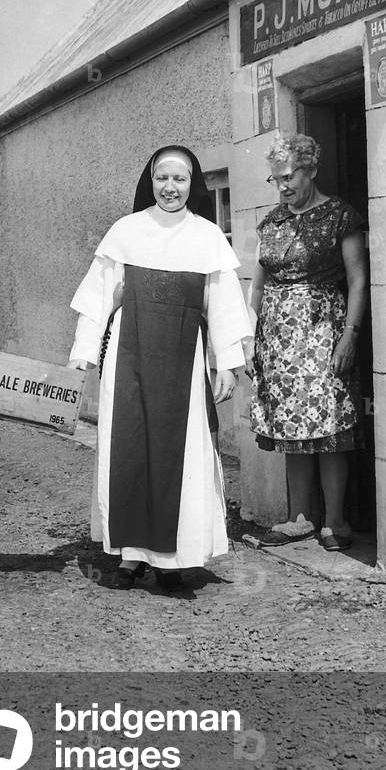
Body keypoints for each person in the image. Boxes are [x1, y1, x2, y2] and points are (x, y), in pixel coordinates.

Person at [67, 145, 252, 591]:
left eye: (180, 179)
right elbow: (99, 298)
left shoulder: (207, 237)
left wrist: (226, 363)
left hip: (183, 367)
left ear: (193, 184)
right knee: (128, 451)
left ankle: (174, 558)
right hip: (128, 361)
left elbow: (224, 305)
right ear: (150, 181)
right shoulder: (126, 232)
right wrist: (83, 351)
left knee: (181, 456)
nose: (170, 188)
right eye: (162, 178)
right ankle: (131, 555)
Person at [246, 133, 367, 552]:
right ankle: (300, 517)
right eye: (275, 179)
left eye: (288, 176)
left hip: (323, 333)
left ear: (311, 169)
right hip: (278, 341)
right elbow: (257, 286)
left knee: (331, 427)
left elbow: (357, 279)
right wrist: (251, 339)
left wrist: (350, 335)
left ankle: (335, 520)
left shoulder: (340, 216)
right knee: (291, 428)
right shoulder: (271, 222)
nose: (282, 186)